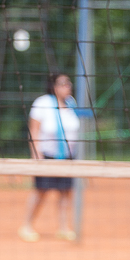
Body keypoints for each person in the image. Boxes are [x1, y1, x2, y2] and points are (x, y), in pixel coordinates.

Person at [22, 72, 80, 242]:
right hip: (47, 156)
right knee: (41, 191)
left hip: (67, 157)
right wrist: (36, 154)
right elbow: (34, 130)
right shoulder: (42, 103)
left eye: (68, 83)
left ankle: (63, 227)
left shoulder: (71, 103)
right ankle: (27, 225)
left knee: (65, 193)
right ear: (53, 86)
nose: (68, 86)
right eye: (63, 84)